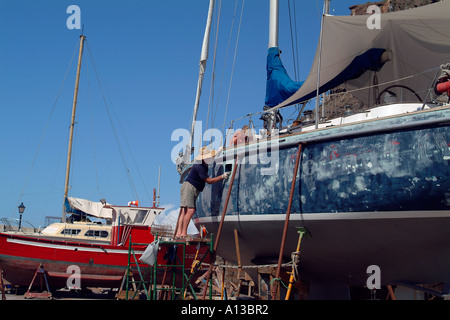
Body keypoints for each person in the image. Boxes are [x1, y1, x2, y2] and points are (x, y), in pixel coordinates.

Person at [174, 146, 229, 239]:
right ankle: (183, 233)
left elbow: (212, 158)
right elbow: (209, 181)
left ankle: (179, 233)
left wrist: (219, 150)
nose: (210, 158)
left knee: (184, 211)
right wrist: (222, 177)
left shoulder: (203, 163)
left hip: (188, 187)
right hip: (190, 187)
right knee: (190, 210)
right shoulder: (200, 167)